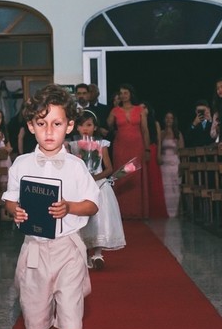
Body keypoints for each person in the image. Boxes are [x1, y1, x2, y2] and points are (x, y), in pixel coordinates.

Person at [3, 85, 100, 329]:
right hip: (34, 248)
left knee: (71, 307)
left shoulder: (75, 166)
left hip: (68, 246)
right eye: (41, 124)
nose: (49, 132)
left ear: (68, 127)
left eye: (56, 124)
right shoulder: (21, 164)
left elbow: (92, 203)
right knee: (35, 313)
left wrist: (70, 206)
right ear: (31, 126)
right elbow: (9, 199)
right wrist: (14, 210)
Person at [68, 111, 124, 268]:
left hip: (98, 185)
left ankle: (98, 254)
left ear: (95, 127)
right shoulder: (72, 146)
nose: (85, 128)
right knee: (82, 221)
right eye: (81, 125)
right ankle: (85, 254)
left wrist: (93, 178)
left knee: (99, 219)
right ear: (76, 127)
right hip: (80, 188)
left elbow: (109, 168)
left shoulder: (102, 145)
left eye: (89, 125)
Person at [107, 84, 150, 218]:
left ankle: (137, 211)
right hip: (121, 146)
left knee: (135, 175)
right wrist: (114, 106)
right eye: (121, 93)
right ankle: (121, 211)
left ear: (131, 94)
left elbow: (145, 130)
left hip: (137, 146)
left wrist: (147, 148)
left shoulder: (139, 109)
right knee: (121, 175)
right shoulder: (115, 110)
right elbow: (108, 125)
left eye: (126, 92)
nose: (124, 95)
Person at [159, 111, 184, 217]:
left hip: (175, 163)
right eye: (167, 118)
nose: (169, 120)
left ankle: (174, 213)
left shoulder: (178, 133)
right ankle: (167, 213)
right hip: (164, 164)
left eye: (171, 118)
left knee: (175, 189)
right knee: (166, 188)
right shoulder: (161, 133)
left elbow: (182, 150)